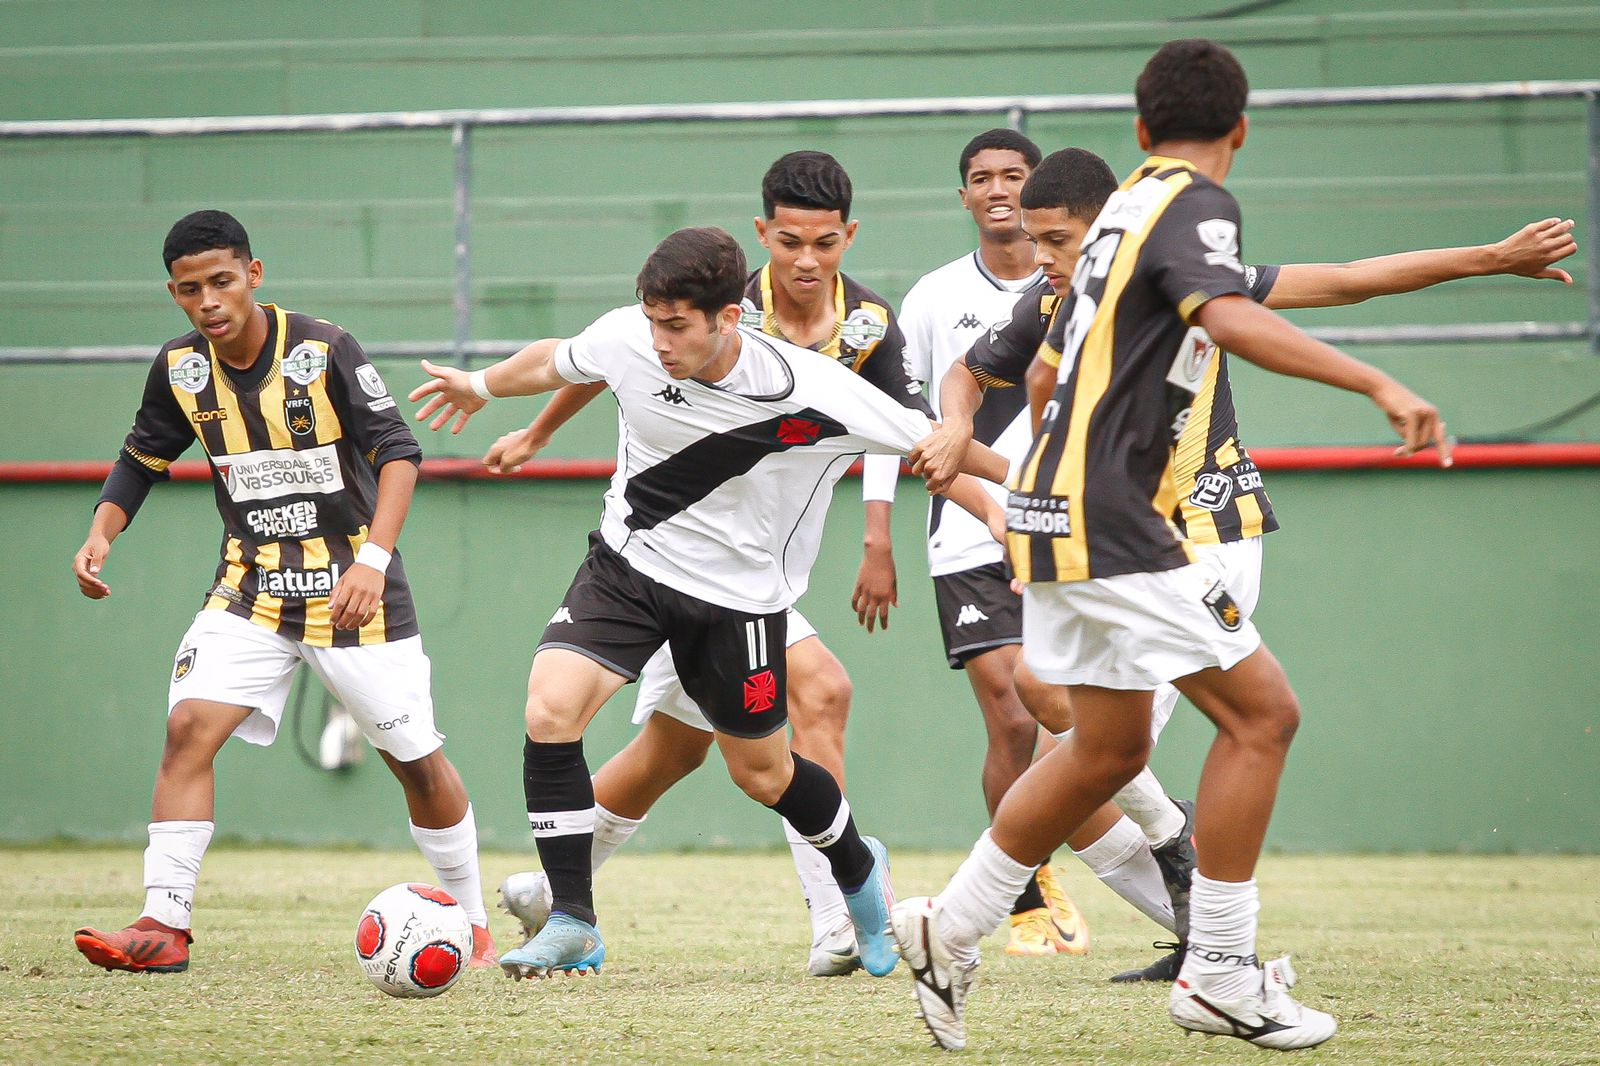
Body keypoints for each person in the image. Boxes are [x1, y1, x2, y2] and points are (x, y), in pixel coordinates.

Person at [890, 39, 1455, 1052]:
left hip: (1056, 511)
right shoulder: (1191, 203)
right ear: (1240, 130)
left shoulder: (1121, 216)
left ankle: (950, 925)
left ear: (1140, 129)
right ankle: (1222, 974)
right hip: (1119, 519)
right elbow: (1227, 314)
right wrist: (1377, 382)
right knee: (1263, 717)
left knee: (1108, 746)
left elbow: (1064, 363)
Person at [922, 147, 1579, 984]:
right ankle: (1194, 920)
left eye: (1055, 240)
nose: (1040, 260)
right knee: (1069, 733)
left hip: (1202, 534)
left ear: (1106, 225)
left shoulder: (1177, 274)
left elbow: (1347, 278)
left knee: (1125, 752)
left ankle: (1175, 939)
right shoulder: (1058, 299)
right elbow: (972, 373)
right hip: (1114, 537)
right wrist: (955, 425)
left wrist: (1490, 258)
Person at [407, 226, 1008, 980]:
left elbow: (943, 451)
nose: (659, 340)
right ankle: (572, 920)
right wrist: (482, 385)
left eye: (677, 325)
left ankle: (858, 875)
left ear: (728, 319)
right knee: (549, 709)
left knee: (763, 775)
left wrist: (1009, 505)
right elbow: (558, 356)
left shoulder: (815, 391)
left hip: (739, 603)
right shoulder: (631, 337)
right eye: (653, 320)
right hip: (628, 566)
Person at [70, 210, 497, 974]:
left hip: (354, 597)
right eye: (191, 289)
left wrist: (372, 558)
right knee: (188, 728)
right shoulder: (179, 368)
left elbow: (398, 453)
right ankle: (163, 924)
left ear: (254, 275)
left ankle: (472, 920)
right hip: (250, 588)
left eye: (223, 282)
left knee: (416, 762)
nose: (209, 301)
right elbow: (141, 457)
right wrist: (104, 530)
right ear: (175, 293)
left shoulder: (323, 348)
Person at [895, 128, 1093, 958]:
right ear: (966, 196)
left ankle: (1139, 847)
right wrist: (893, 529)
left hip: (1067, 522)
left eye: (1016, 175)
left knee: (1067, 708)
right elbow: (915, 425)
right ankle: (1023, 890)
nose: (1000, 189)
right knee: (1012, 709)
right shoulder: (935, 297)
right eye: (984, 178)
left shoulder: (1087, 293)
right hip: (966, 526)